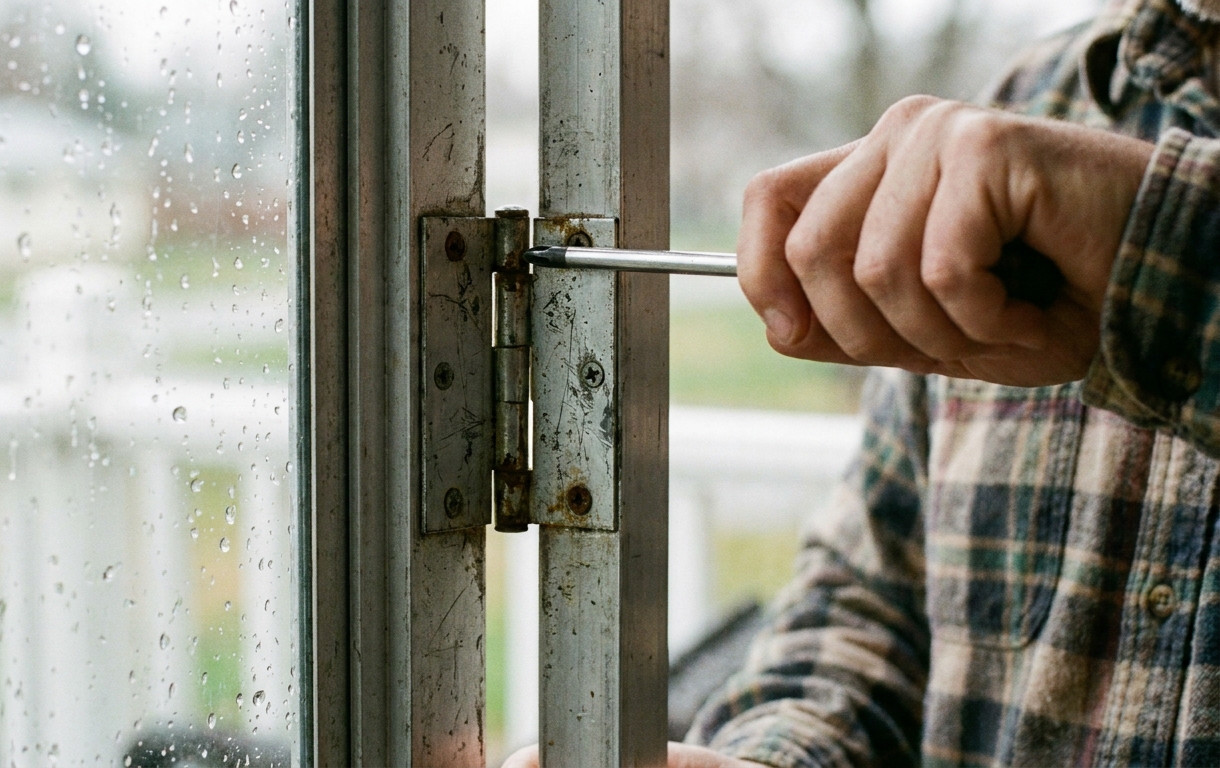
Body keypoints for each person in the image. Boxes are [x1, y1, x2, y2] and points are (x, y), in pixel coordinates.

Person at [504, 0, 1220, 765]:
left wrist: (1173, 250)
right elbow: (875, 592)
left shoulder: (1024, 157)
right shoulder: (1037, 102)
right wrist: (781, 757)